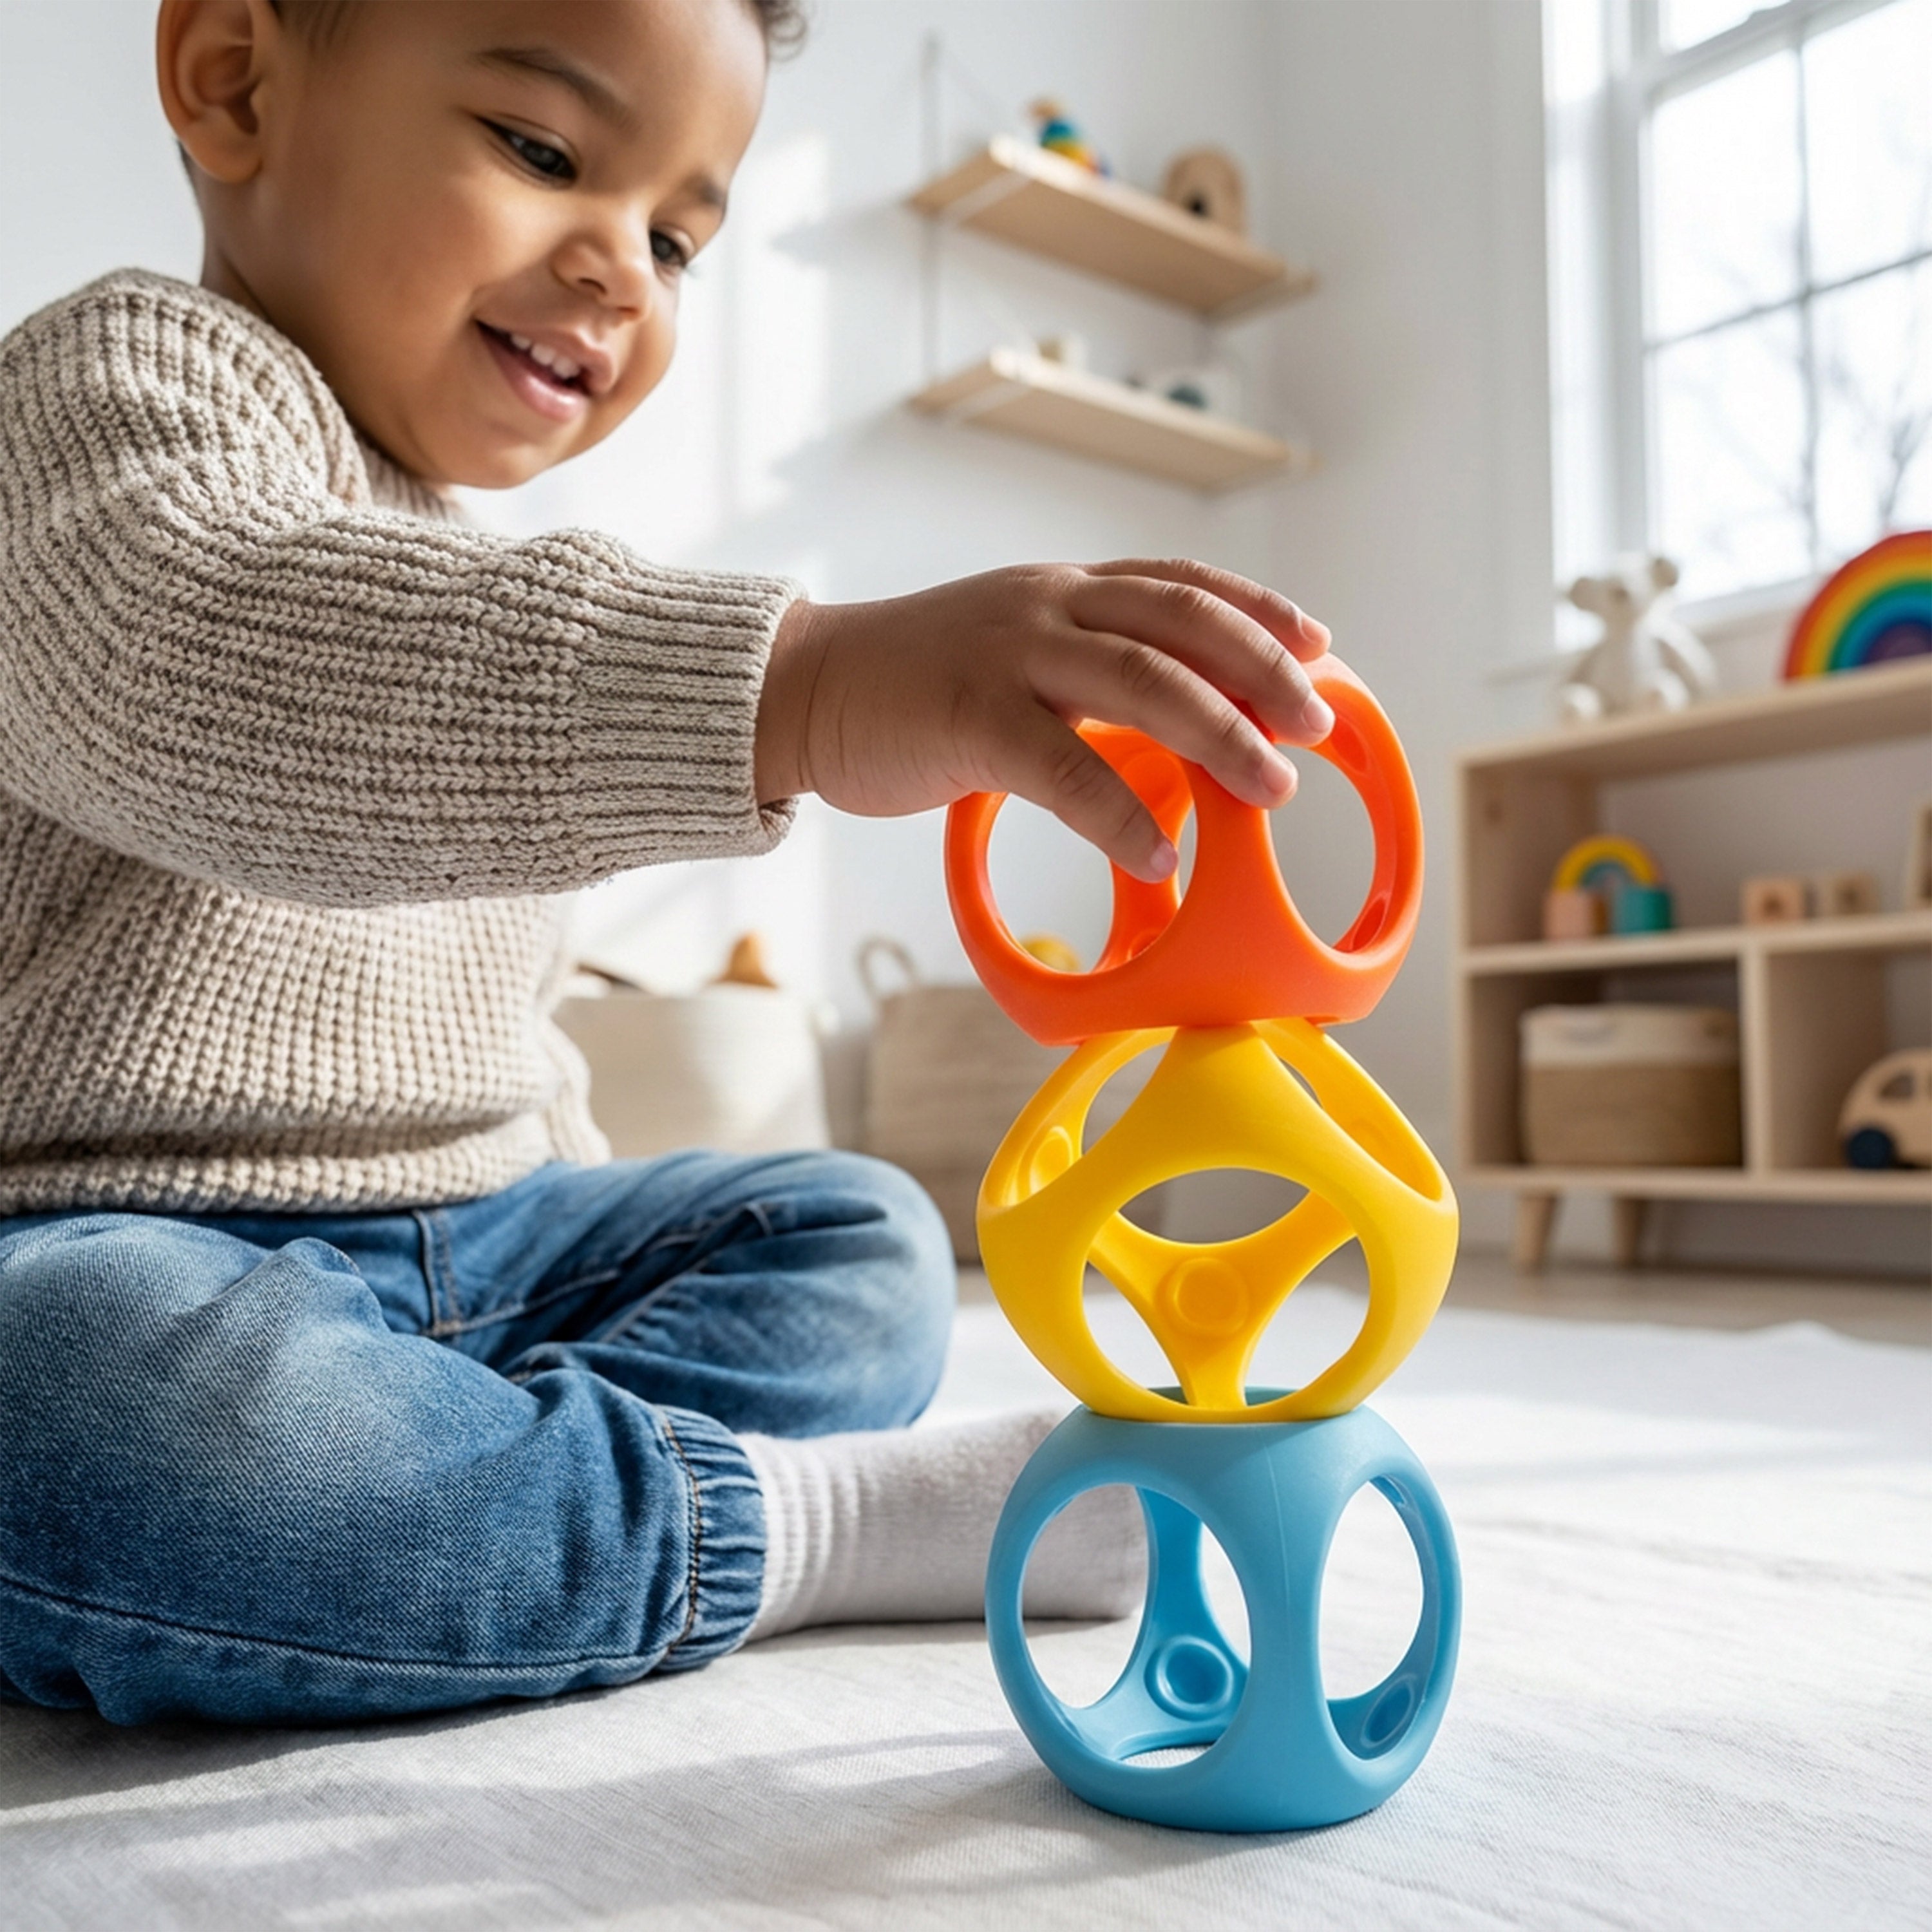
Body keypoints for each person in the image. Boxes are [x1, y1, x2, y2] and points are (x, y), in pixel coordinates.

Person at [0, 0, 1333, 1725]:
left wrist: (561, 1200)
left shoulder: (484, 565)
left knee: (856, 1234)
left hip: (485, 1244)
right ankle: (787, 1525)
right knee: (72, 1409)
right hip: (108, 1245)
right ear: (235, 78)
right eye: (544, 153)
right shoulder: (112, 399)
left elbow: (497, 1029)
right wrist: (800, 681)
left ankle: (488, 1502)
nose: (621, 269)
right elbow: (187, 659)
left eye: (678, 238)